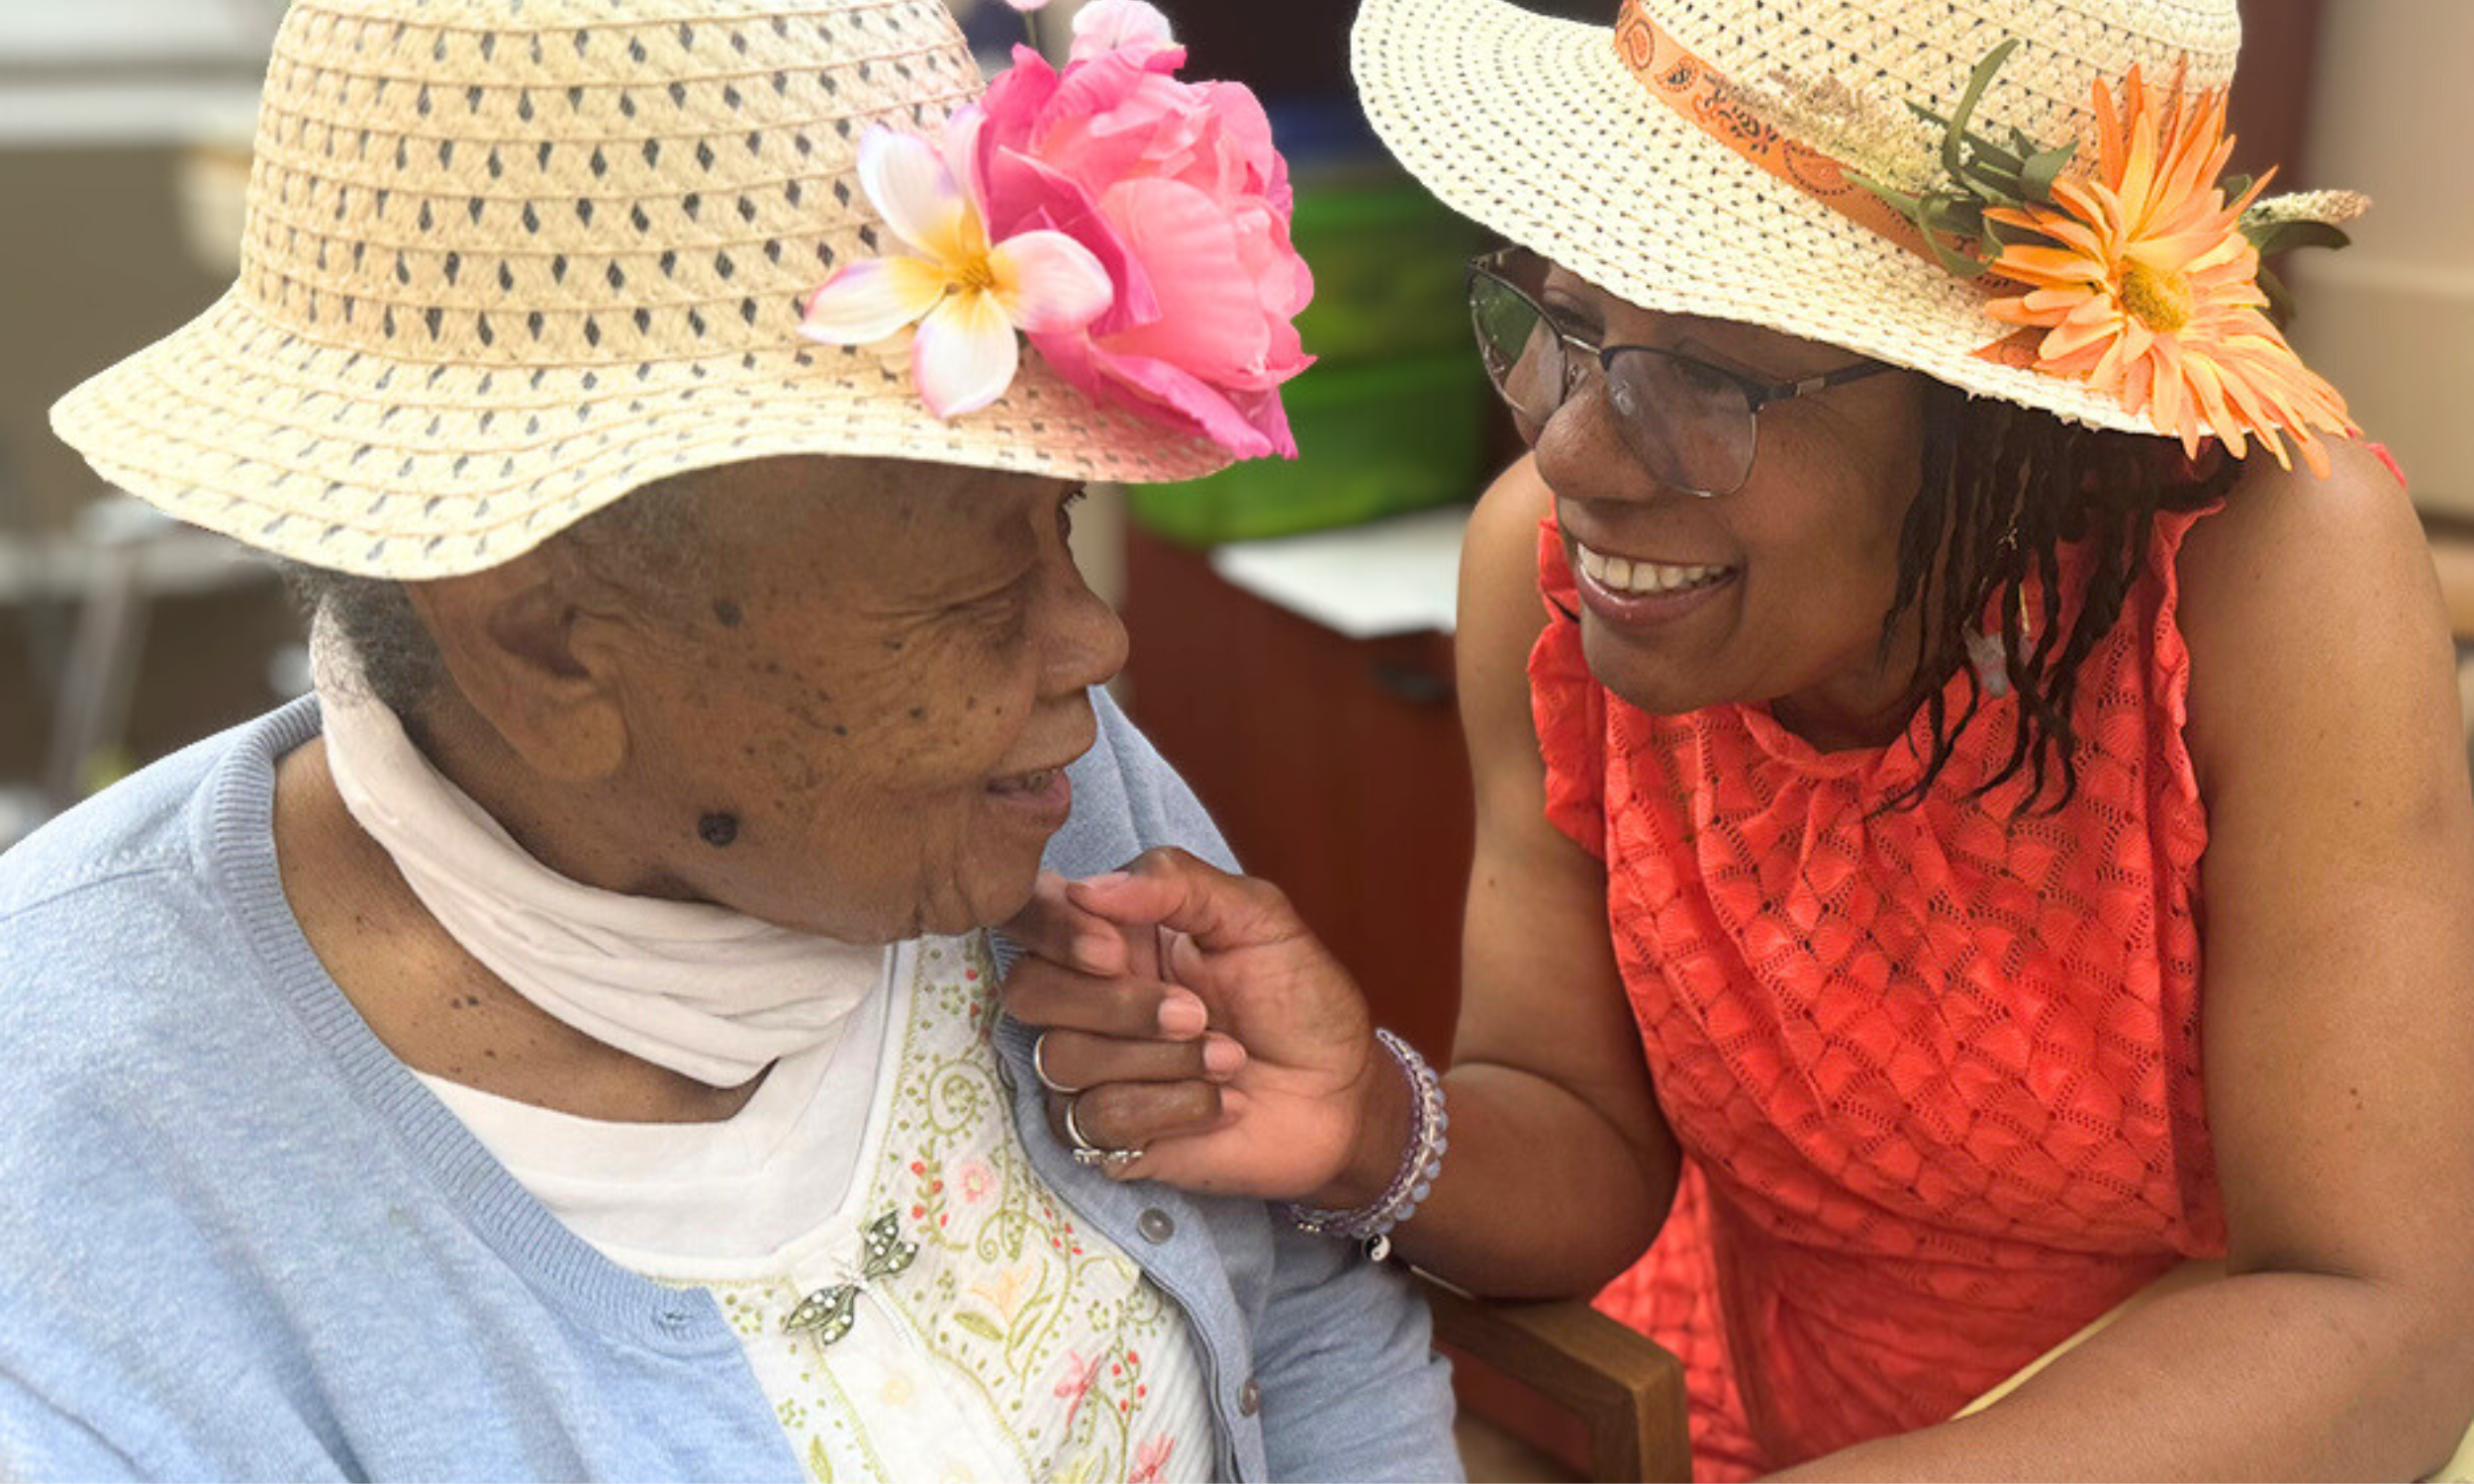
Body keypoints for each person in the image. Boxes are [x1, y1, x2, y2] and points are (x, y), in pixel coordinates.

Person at [1000, 0, 2474, 1477]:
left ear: (2001, 425)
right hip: (1718, 1417)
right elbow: (1584, 1139)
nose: (1568, 457)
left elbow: (2378, 1314)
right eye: (1558, 328)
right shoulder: (1546, 590)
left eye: (1707, 377)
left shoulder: (2267, 581)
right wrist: (1374, 1121)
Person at [0, 1, 1459, 1480]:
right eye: (965, 585)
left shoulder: (1033, 798)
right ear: (545, 648)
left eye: (1057, 524)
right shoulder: (79, 1204)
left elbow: (1303, 1324)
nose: (1093, 642)